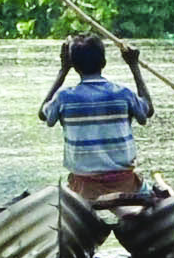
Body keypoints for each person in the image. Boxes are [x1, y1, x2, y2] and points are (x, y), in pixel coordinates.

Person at [41, 34, 158, 205]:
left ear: (74, 66)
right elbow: (147, 111)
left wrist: (63, 70)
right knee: (155, 194)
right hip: (124, 182)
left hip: (83, 185)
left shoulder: (64, 97)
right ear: (103, 63)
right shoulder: (123, 94)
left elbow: (43, 114)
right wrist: (134, 66)